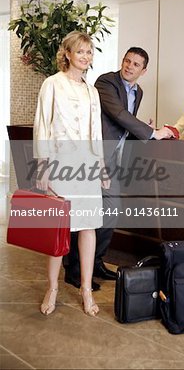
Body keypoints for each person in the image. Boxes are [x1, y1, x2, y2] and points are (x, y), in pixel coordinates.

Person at [64, 46, 174, 287]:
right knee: (85, 215)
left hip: (113, 161)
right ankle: (73, 270)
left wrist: (144, 130)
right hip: (93, 157)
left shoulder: (139, 91)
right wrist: (151, 133)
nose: (129, 66)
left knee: (110, 212)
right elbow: (119, 114)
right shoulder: (106, 82)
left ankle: (95, 262)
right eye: (127, 61)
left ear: (143, 70)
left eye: (136, 64)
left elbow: (124, 126)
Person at [34, 31, 109, 317]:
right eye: (81, 52)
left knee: (89, 227)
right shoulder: (52, 84)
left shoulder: (92, 91)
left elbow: (96, 132)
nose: (86, 57)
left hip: (87, 165)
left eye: (89, 52)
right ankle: (52, 287)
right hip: (59, 163)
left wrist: (101, 166)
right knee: (59, 227)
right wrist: (42, 166)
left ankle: (86, 289)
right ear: (67, 53)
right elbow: (42, 125)